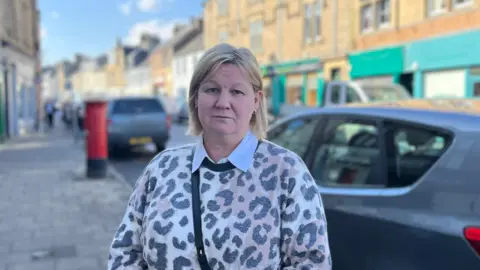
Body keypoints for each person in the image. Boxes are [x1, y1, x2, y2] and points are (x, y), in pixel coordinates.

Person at [108, 43, 332, 270]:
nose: (223, 103)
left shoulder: (287, 171)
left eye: (237, 92)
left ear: (256, 100)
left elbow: (313, 263)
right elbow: (125, 251)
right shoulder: (161, 168)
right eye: (212, 90)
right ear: (195, 97)